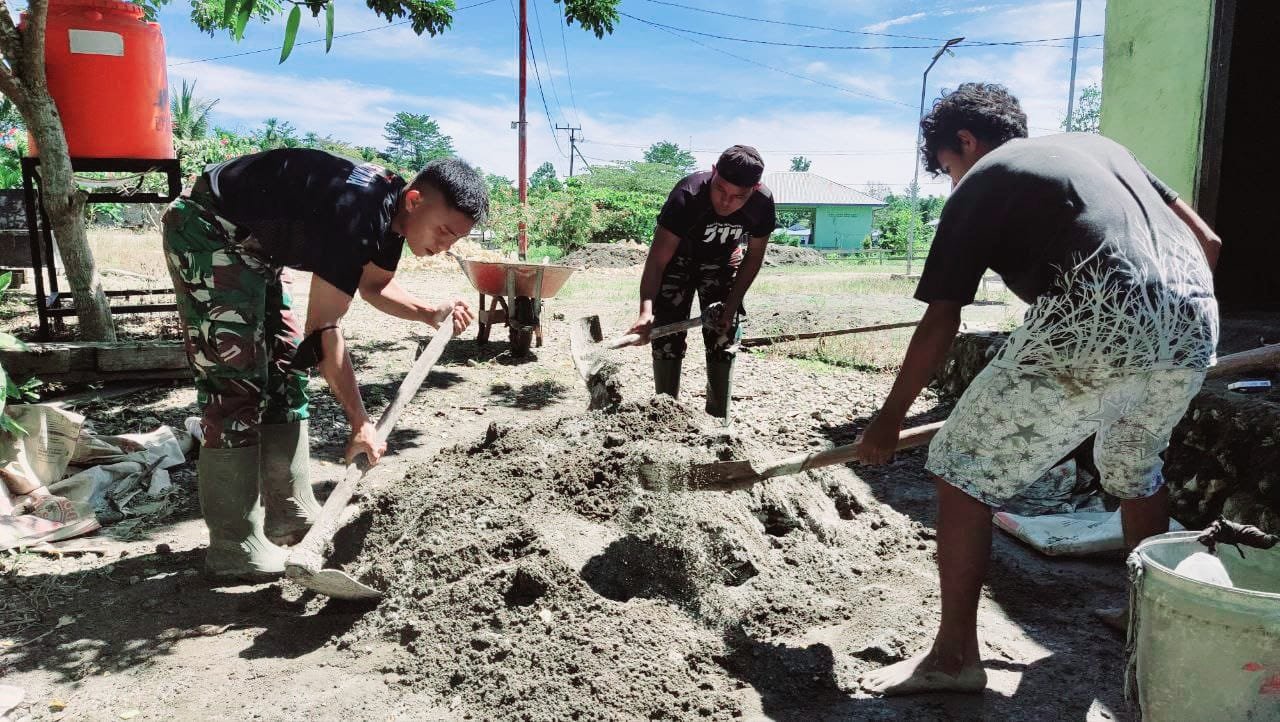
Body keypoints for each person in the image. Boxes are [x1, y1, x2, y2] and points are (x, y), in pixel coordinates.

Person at [853, 83, 1221, 695]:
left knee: (960, 468)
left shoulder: (984, 179)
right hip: (1194, 315)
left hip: (1097, 312)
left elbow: (943, 318)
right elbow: (1209, 243)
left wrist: (888, 420)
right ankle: (1152, 621)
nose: (951, 180)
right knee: (1132, 464)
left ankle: (952, 659)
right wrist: (1162, 322)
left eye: (947, 166)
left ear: (965, 142)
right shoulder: (1102, 147)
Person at [162, 149, 487, 582]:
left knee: (287, 368)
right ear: (414, 201)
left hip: (258, 249)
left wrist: (430, 312)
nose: (446, 247)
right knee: (235, 381)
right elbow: (324, 327)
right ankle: (234, 544)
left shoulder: (391, 214)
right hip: (209, 228)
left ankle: (289, 512)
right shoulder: (356, 215)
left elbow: (374, 285)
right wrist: (360, 423)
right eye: (445, 232)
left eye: (456, 240)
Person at [627, 145, 776, 422]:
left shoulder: (762, 203)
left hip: (722, 262)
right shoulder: (687, 195)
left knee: (724, 334)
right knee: (666, 337)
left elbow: (753, 257)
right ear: (713, 172)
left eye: (737, 196)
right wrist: (646, 312)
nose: (726, 202)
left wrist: (731, 306)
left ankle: (717, 421)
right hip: (678, 262)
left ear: (754, 189)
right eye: (720, 189)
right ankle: (666, 417)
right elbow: (658, 259)